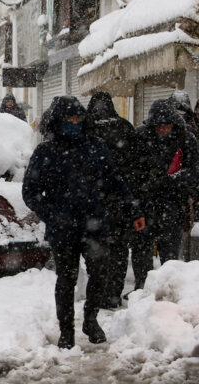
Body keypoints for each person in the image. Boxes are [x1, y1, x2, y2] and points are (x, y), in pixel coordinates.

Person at [23, 96, 144, 349]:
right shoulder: (46, 151)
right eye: (70, 118)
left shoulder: (97, 146)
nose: (75, 122)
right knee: (66, 280)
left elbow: (115, 181)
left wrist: (134, 210)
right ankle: (66, 330)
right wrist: (52, 214)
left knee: (99, 273)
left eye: (79, 118)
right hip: (62, 229)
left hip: (95, 225)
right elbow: (30, 192)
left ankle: (90, 319)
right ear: (58, 120)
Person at [132, 98, 199, 289]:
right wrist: (145, 186)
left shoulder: (186, 138)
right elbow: (130, 171)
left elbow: (194, 172)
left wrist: (172, 181)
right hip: (144, 204)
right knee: (141, 250)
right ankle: (142, 288)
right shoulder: (140, 136)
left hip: (172, 203)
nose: (162, 129)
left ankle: (167, 290)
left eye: (166, 125)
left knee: (169, 254)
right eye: (158, 126)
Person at [84, 92, 141, 309]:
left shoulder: (86, 129)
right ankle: (113, 294)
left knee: (97, 252)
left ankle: (98, 293)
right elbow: (136, 167)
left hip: (94, 204)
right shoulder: (125, 127)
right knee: (118, 250)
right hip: (119, 202)